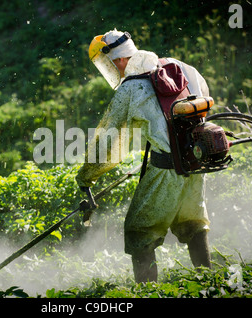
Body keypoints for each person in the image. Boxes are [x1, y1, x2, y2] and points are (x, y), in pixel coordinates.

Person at [75, 29, 212, 283]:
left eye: (108, 65)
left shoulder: (130, 88)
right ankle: (210, 282)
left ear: (117, 60)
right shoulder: (178, 66)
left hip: (167, 170)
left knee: (139, 232)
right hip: (196, 161)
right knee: (193, 223)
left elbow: (107, 143)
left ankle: (148, 292)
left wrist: (86, 177)